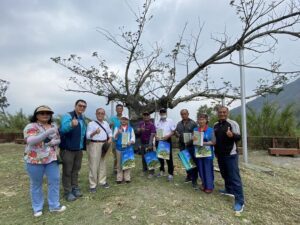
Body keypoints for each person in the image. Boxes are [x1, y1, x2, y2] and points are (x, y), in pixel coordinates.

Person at [23, 105, 66, 217]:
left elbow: (58, 139)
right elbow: (31, 141)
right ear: (36, 115)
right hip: (34, 159)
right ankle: (37, 208)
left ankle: (54, 206)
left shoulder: (53, 125)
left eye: (48, 113)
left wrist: (55, 142)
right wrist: (47, 133)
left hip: (51, 158)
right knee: (36, 183)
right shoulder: (31, 126)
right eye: (42, 113)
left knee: (55, 181)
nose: (45, 115)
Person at [214, 106, 245, 213]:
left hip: (231, 154)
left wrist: (232, 135)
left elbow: (239, 137)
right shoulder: (215, 125)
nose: (222, 114)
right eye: (220, 112)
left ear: (227, 113)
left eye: (224, 112)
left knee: (234, 178)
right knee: (224, 174)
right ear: (217, 113)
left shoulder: (233, 123)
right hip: (220, 155)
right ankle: (228, 189)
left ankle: (240, 201)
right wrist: (216, 152)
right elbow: (216, 140)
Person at [59, 99, 87, 201]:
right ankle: (68, 191)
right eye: (80, 105)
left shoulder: (82, 118)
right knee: (67, 171)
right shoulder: (68, 116)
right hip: (68, 149)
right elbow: (62, 129)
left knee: (75, 170)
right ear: (75, 106)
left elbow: (83, 133)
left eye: (84, 106)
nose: (82, 108)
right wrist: (71, 125)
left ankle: (75, 188)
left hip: (78, 149)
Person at [86, 108, 113, 193]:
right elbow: (87, 136)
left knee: (103, 163)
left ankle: (102, 181)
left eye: (102, 113)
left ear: (104, 114)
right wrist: (94, 132)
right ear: (96, 114)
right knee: (94, 165)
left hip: (105, 144)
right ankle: (92, 185)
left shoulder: (106, 123)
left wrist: (110, 138)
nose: (100, 115)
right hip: (95, 145)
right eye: (99, 113)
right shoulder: (91, 124)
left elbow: (109, 132)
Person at [175, 109, 198, 188]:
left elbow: (196, 135)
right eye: (182, 114)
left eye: (185, 114)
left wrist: (191, 140)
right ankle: (189, 176)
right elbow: (177, 133)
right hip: (182, 146)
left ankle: (194, 180)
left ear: (188, 114)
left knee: (192, 163)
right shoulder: (179, 124)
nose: (183, 115)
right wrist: (176, 134)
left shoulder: (193, 123)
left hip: (191, 146)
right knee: (185, 162)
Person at [194, 113, 215, 193]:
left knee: (208, 170)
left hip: (207, 154)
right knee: (201, 169)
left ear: (206, 120)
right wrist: (194, 140)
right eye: (199, 119)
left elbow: (213, 142)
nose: (201, 121)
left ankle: (209, 186)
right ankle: (204, 184)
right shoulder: (195, 130)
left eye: (203, 119)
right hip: (198, 153)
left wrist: (203, 143)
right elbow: (194, 140)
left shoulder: (211, 130)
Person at [155, 108, 176, 181]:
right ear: (159, 113)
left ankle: (170, 173)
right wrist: (156, 137)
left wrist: (168, 136)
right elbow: (155, 131)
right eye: (161, 112)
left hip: (167, 140)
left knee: (168, 158)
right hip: (159, 141)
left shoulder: (170, 121)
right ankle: (162, 171)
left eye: (164, 112)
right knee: (160, 157)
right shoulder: (157, 121)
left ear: (166, 113)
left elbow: (173, 131)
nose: (162, 113)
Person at [113, 113, 135, 183]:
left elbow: (133, 138)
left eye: (125, 119)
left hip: (128, 148)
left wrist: (130, 142)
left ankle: (127, 177)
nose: (124, 121)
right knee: (119, 163)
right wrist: (118, 133)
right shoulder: (117, 127)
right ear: (120, 120)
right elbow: (114, 138)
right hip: (119, 148)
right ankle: (119, 177)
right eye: (122, 119)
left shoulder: (131, 129)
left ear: (127, 121)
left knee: (127, 162)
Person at [136, 111, 156, 178]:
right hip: (142, 143)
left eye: (147, 115)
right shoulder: (141, 123)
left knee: (150, 157)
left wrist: (150, 144)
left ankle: (151, 172)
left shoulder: (152, 125)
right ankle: (144, 170)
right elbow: (137, 132)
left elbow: (152, 134)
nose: (146, 117)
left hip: (148, 143)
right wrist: (139, 130)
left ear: (149, 117)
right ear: (143, 117)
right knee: (143, 158)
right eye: (144, 115)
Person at [110, 104, 124, 174]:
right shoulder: (112, 118)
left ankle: (123, 167)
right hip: (115, 140)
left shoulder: (125, 118)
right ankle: (115, 169)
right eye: (118, 108)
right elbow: (109, 128)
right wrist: (110, 125)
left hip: (124, 139)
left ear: (122, 110)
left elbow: (128, 128)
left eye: (120, 108)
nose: (119, 110)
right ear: (116, 110)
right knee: (115, 155)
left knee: (123, 154)